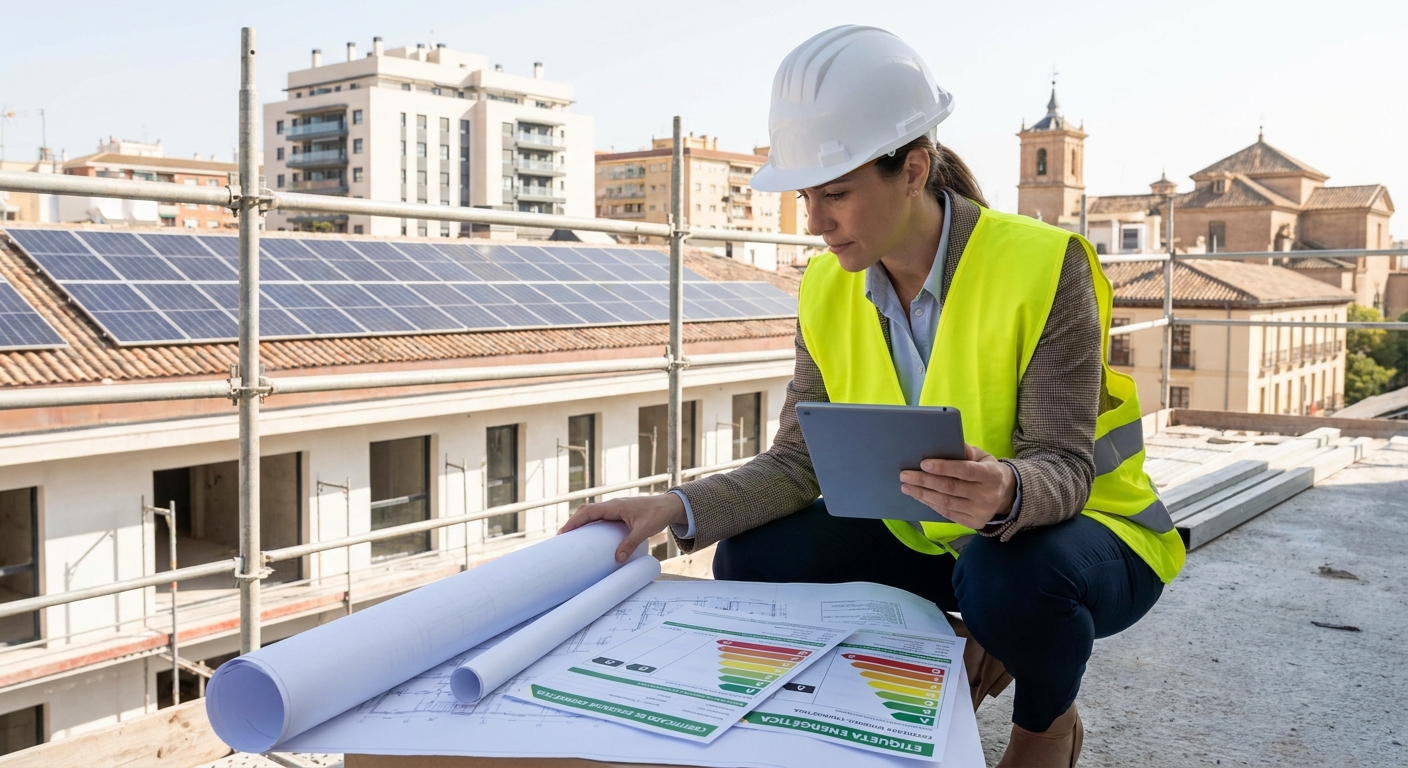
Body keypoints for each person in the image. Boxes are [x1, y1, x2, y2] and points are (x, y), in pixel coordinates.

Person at [562, 25, 1185, 767]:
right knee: (751, 555)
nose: (815, 223)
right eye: (804, 196)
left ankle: (1046, 723)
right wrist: (679, 506)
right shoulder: (827, 286)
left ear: (914, 169)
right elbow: (799, 464)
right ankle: (884, 692)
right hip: (933, 539)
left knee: (1010, 579)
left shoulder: (1045, 265)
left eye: (836, 194)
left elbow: (1067, 465)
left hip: (1088, 537)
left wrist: (1007, 491)